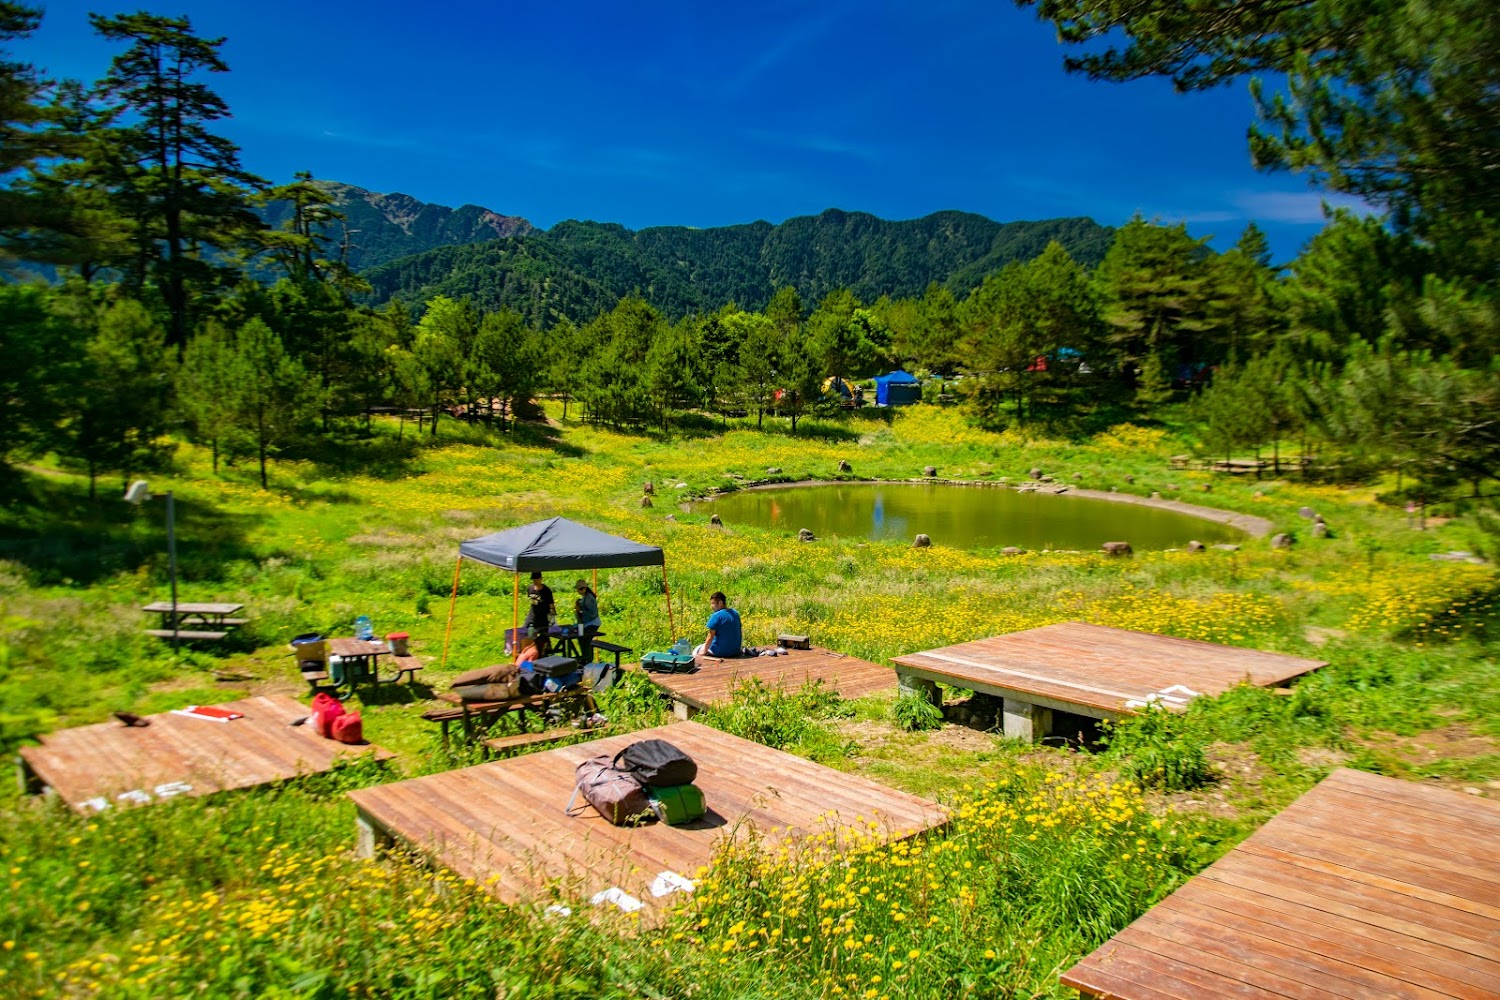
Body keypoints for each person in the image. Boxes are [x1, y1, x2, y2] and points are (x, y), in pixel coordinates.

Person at [694, 591, 742, 658]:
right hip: (735, 650)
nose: (711, 606)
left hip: (720, 652)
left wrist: (704, 651)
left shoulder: (716, 616)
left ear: (720, 603)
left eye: (713, 603)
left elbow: (710, 636)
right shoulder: (735, 613)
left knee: (697, 649)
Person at [523, 571, 555, 658]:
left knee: (544, 637)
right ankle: (528, 652)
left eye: (536, 580)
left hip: (543, 617)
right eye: (533, 580)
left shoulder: (546, 591)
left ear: (541, 579)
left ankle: (546, 653)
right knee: (525, 632)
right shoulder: (530, 589)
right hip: (532, 616)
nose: (535, 582)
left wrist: (552, 617)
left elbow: (551, 605)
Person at [573, 578, 601, 663]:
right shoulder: (585, 597)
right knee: (582, 639)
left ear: (584, 589)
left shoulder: (589, 598)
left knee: (585, 641)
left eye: (579, 589)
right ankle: (585, 658)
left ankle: (587, 660)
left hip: (592, 624)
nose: (578, 591)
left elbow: (592, 614)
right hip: (588, 624)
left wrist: (580, 611)